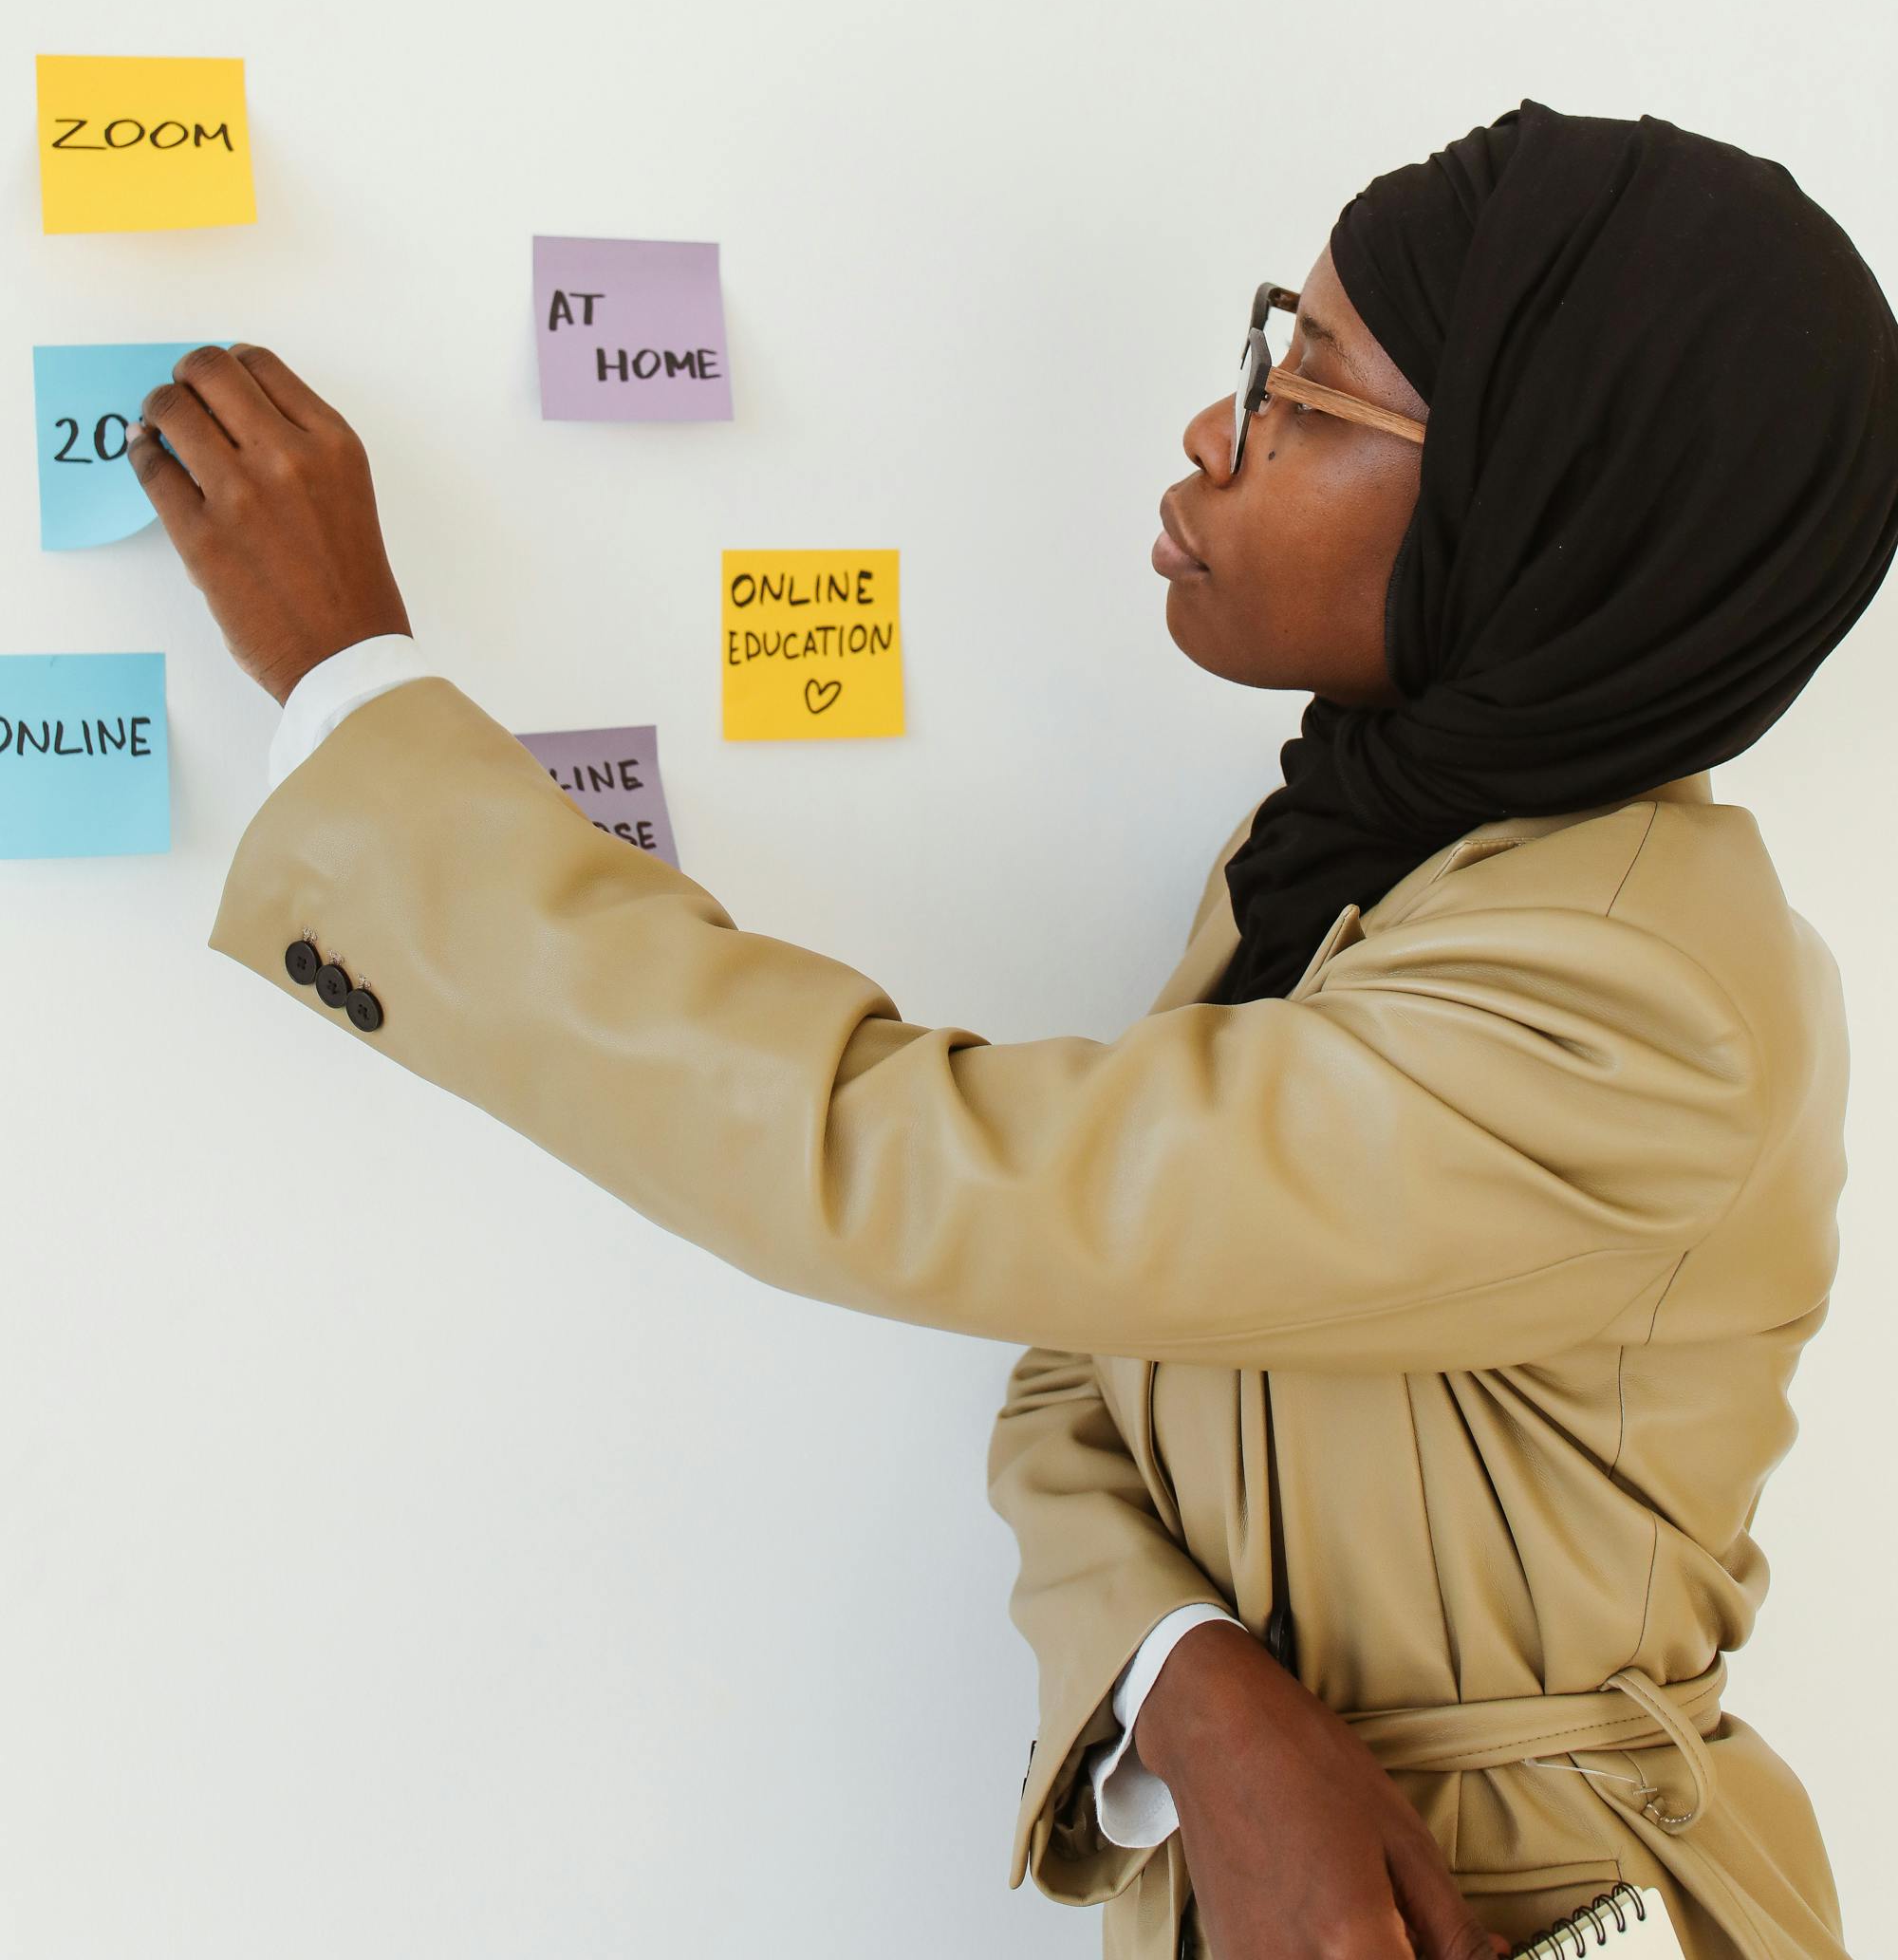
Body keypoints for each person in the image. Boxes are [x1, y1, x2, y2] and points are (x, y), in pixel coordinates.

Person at [126, 98, 1894, 1960]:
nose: (1216, 432)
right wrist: (1193, 1692)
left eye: (1306, 392)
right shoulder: (1361, 868)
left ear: (1542, 498)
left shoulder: (1633, 1002)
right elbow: (1081, 1357)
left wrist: (358, 695)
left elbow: (919, 1178)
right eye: (1264, 354)